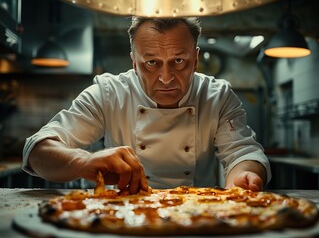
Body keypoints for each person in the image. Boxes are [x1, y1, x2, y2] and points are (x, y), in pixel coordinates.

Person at [22, 16, 271, 194]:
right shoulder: (109, 93)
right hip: (121, 220)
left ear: (195, 59)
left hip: (197, 218)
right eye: (151, 63)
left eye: (179, 61)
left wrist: (243, 175)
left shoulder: (217, 95)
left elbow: (243, 153)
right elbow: (35, 152)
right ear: (133, 62)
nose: (165, 77)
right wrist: (85, 162)